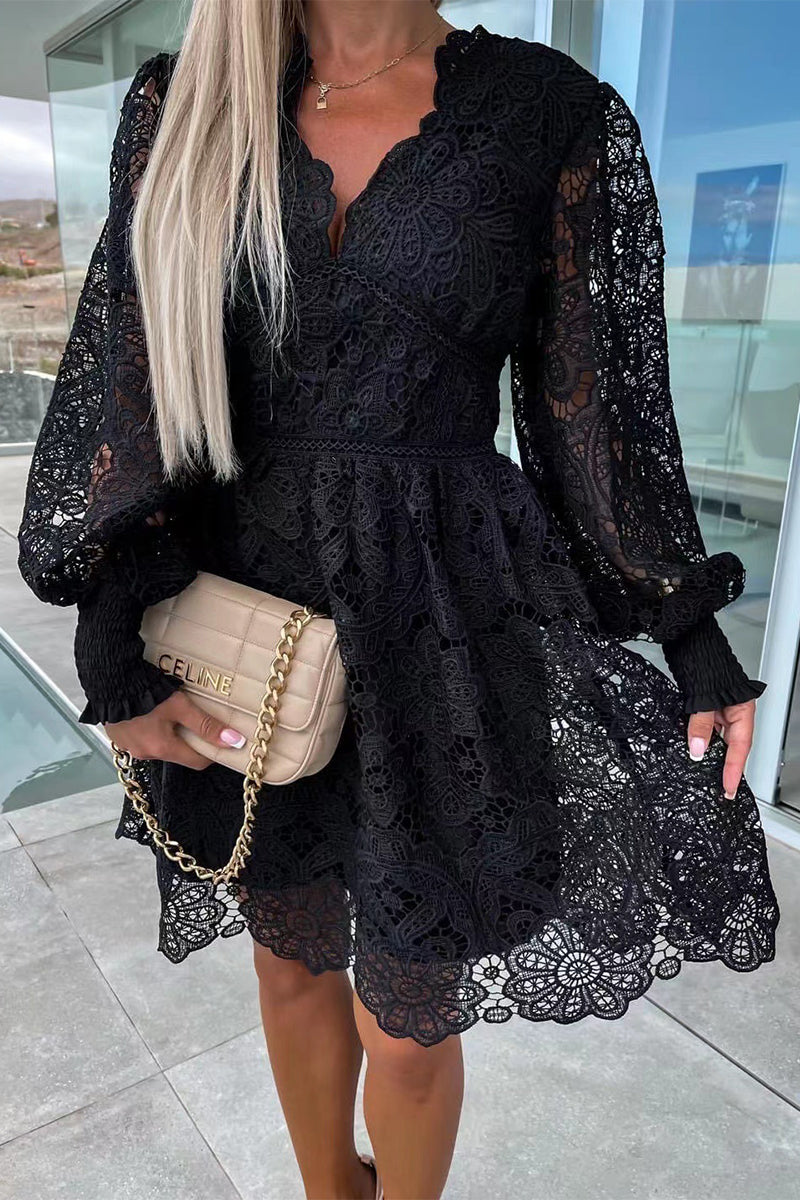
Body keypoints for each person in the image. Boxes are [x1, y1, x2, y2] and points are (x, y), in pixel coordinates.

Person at [17, 2, 780, 1197]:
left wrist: (687, 628)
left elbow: (591, 417)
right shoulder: (186, 101)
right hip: (246, 610)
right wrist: (113, 646)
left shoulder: (545, 112)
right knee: (287, 963)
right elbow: (132, 380)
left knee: (411, 1024)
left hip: (445, 620)